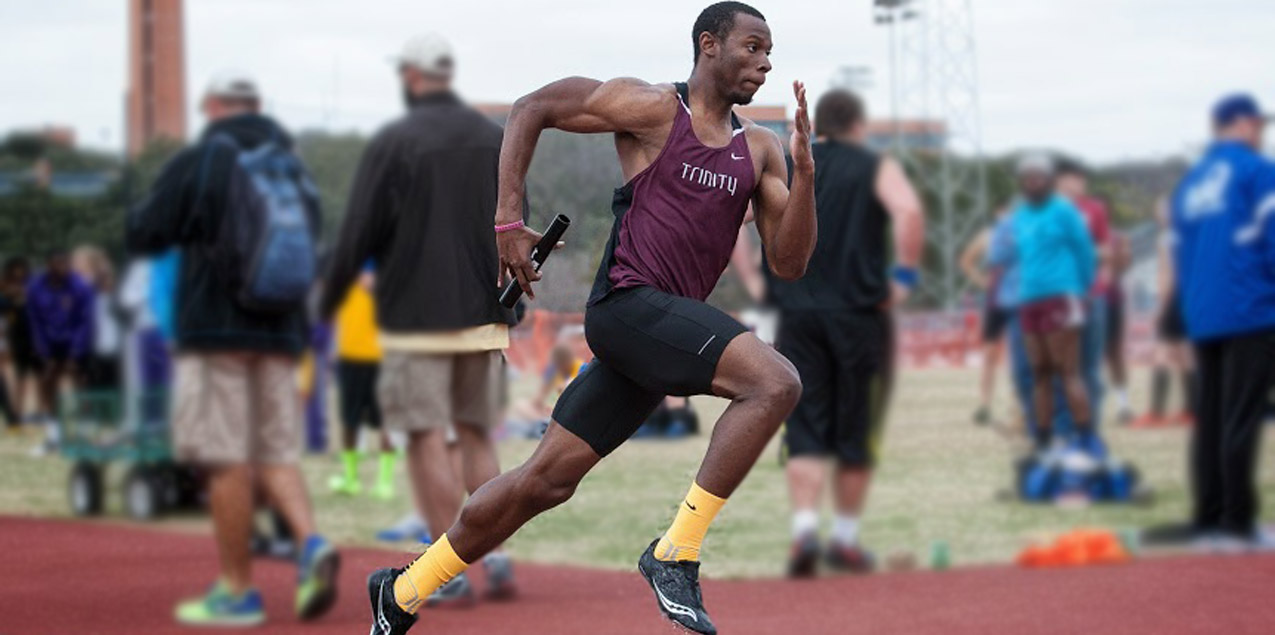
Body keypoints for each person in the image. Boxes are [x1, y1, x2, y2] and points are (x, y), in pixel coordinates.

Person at [365, 4, 816, 634]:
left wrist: (808, 176)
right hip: (625, 308)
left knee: (543, 482)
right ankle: (675, 554)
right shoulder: (653, 110)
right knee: (775, 381)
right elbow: (531, 108)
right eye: (752, 47)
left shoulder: (761, 150)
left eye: (771, 52)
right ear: (709, 45)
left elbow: (790, 263)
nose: (765, 63)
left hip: (657, 336)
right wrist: (506, 220)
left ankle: (403, 589)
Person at [127, 72, 338, 627]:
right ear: (258, 106)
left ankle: (237, 590)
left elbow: (145, 232)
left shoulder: (206, 158)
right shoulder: (293, 167)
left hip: (215, 330)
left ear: (216, 106)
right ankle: (311, 542)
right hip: (281, 330)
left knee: (226, 460)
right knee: (273, 451)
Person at [321, 33, 521, 608]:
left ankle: (445, 568)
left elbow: (360, 228)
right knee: (477, 435)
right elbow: (516, 220)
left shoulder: (395, 141)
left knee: (427, 437)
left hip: (413, 317)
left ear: (412, 77)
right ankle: (498, 558)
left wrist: (330, 297)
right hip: (485, 310)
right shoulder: (492, 138)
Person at [768, 89, 924, 577]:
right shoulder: (873, 164)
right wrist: (902, 279)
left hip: (797, 312)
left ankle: (804, 535)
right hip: (858, 311)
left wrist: (759, 279)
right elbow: (910, 212)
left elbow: (750, 219)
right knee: (855, 426)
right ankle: (845, 540)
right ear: (858, 125)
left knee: (806, 428)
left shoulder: (797, 165)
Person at [1165, 94, 1275, 548]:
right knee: (1242, 416)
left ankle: (1209, 518)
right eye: (1260, 124)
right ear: (1244, 123)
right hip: (1251, 305)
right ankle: (1237, 522)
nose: (1264, 132)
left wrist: (1182, 313)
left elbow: (1178, 253)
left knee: (1210, 417)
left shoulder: (1189, 183)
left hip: (1203, 311)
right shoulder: (1256, 170)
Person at [1005, 154, 1097, 453]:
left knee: (1067, 371)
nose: (1032, 183)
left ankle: (1085, 438)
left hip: (1062, 294)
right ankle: (1042, 439)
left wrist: (1082, 289)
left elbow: (1085, 251)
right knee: (1039, 373)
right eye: (1027, 178)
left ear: (1050, 180)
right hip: (1029, 298)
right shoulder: (1019, 214)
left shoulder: (1064, 210)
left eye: (1038, 177)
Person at [328, 265, 397, 499]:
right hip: (351, 351)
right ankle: (351, 478)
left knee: (385, 420)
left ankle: (384, 482)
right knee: (350, 419)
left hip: (381, 351)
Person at [1055, 161, 1112, 436]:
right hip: (1055, 299)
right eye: (1071, 179)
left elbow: (1104, 248)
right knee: (1062, 368)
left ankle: (1090, 430)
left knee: (1090, 367)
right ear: (1058, 181)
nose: (1077, 185)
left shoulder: (1094, 209)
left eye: (1081, 180)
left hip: (1092, 295)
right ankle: (1063, 431)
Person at [1134, 197, 1195, 427]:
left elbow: (1167, 273)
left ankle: (1156, 412)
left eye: (1164, 208)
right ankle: (1192, 410)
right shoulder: (1190, 234)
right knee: (1183, 354)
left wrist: (1160, 306)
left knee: (1161, 353)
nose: (1159, 213)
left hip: (1173, 297)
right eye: (1157, 209)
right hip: (1188, 296)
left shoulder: (1167, 237)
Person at [26, 249, 94, 449]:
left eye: (66, 264)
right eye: (59, 264)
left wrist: (76, 352)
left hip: (76, 342)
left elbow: (86, 321)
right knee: (48, 384)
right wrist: (44, 352)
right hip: (49, 343)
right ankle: (54, 436)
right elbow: (35, 321)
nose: (64, 268)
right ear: (49, 265)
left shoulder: (81, 287)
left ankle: (84, 435)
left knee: (80, 385)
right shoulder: (35, 287)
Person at [961, 208, 1012, 427]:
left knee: (1018, 354)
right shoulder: (988, 235)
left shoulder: (1026, 230)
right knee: (990, 353)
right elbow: (965, 261)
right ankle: (984, 406)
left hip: (1019, 299)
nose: (1008, 215)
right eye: (1005, 211)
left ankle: (1018, 407)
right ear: (998, 212)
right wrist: (981, 281)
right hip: (994, 301)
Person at [72, 246, 124, 391]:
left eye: (80, 262)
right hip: (87, 346)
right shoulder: (79, 286)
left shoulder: (102, 290)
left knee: (107, 382)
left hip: (106, 346)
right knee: (87, 382)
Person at [1105, 230, 1134, 424]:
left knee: (1114, 353)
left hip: (1111, 300)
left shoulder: (1116, 238)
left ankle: (1123, 404)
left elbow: (1125, 266)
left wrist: (1123, 256)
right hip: (1087, 299)